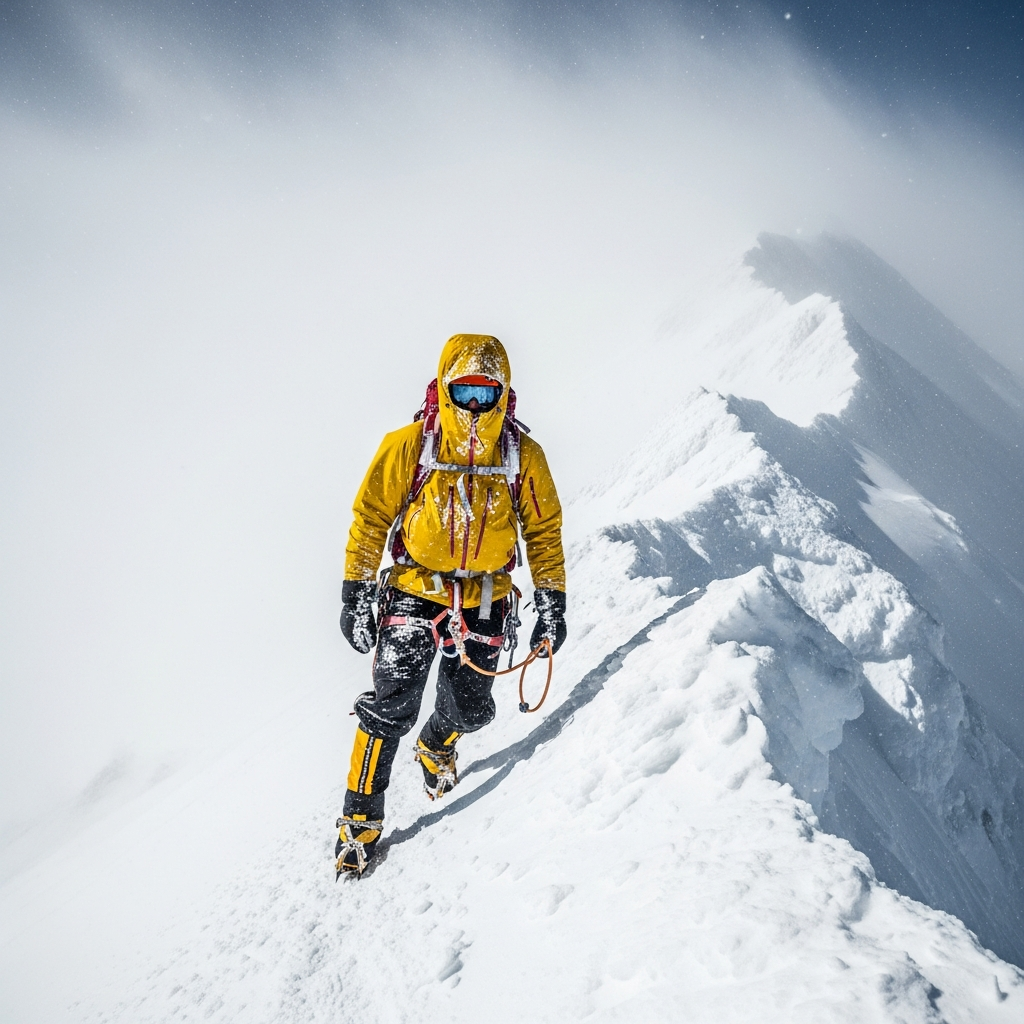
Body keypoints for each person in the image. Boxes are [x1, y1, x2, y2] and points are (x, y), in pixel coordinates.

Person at [336, 333, 567, 875]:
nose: (475, 406)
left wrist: (551, 600)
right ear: (444, 389)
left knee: (472, 708)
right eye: (464, 392)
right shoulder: (410, 446)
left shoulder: (522, 456)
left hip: (488, 595)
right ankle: (359, 819)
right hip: (415, 588)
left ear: (504, 394)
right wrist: (356, 592)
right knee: (391, 705)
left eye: (487, 394)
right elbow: (371, 517)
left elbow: (543, 531)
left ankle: (438, 742)